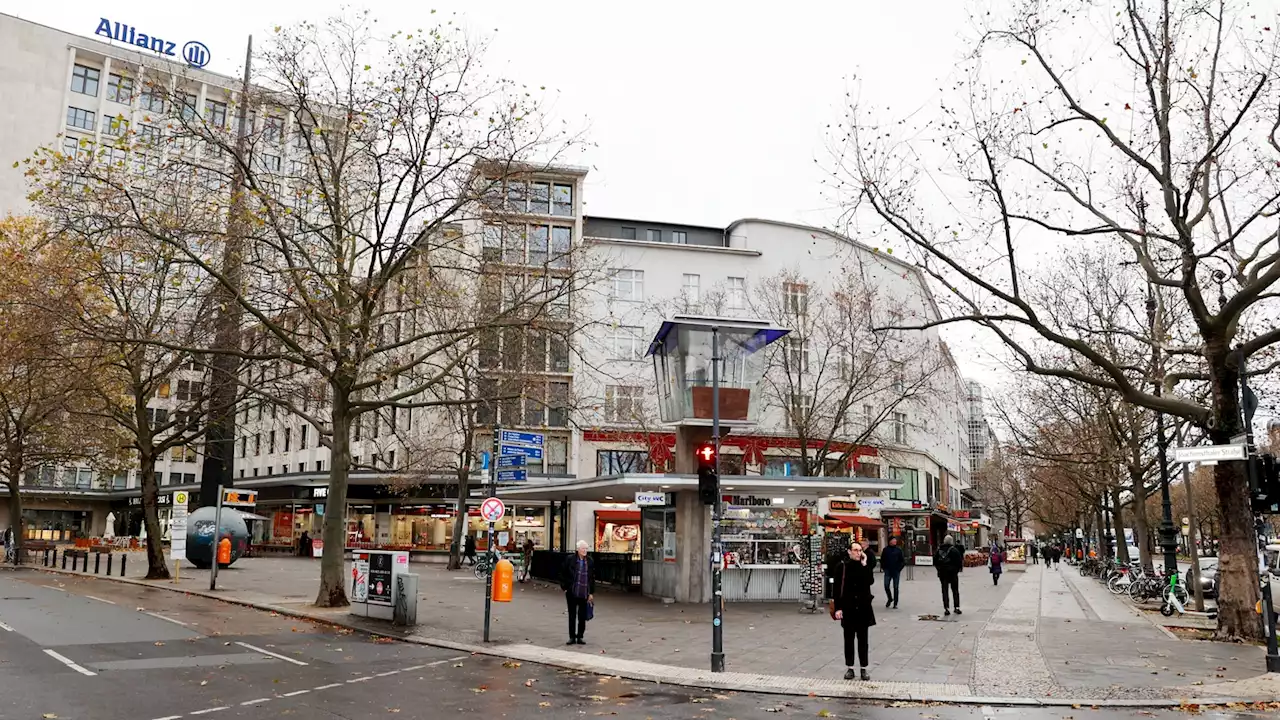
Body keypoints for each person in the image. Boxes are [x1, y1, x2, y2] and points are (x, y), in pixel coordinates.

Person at [830, 540, 876, 681]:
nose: (858, 553)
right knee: (848, 639)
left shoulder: (864, 566)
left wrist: (865, 565)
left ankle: (864, 668)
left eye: (860, 550)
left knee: (863, 640)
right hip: (848, 608)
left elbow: (870, 581)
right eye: (855, 550)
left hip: (863, 608)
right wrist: (838, 608)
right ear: (849, 552)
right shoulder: (842, 567)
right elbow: (837, 589)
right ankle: (850, 667)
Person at [559, 540, 595, 645]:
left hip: (584, 592)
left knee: (582, 616)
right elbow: (562, 573)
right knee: (572, 615)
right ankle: (572, 637)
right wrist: (565, 587)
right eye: (583, 548)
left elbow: (592, 578)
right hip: (572, 591)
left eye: (586, 549)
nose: (585, 551)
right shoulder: (570, 559)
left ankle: (580, 636)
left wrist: (591, 592)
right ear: (578, 549)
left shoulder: (590, 561)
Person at [934, 535, 964, 616]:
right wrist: (956, 571)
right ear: (951, 541)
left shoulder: (939, 550)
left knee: (944, 590)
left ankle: (946, 608)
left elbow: (935, 561)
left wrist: (939, 570)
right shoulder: (954, 550)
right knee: (955, 590)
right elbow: (959, 562)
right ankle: (956, 607)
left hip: (943, 574)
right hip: (953, 574)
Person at [880, 536, 905, 608]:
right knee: (886, 586)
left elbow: (902, 561)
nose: (895, 541)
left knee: (896, 587)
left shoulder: (898, 550)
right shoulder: (885, 550)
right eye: (893, 540)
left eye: (895, 540)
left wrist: (899, 569)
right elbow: (882, 559)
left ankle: (895, 603)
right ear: (890, 541)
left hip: (896, 571)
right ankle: (890, 598)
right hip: (888, 571)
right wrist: (884, 567)